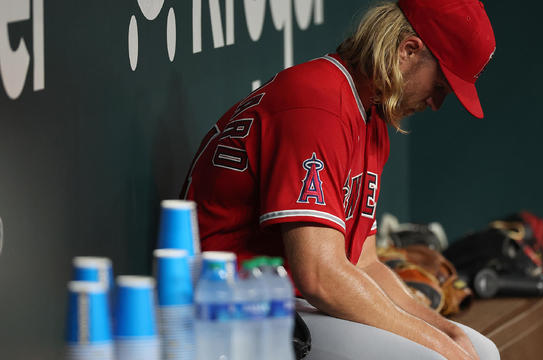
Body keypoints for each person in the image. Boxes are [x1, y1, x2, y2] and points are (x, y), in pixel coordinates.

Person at [181, 0, 498, 358]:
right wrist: (440, 346)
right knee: (436, 357)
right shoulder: (318, 104)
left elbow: (363, 264)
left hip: (288, 296)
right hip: (232, 302)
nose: (436, 102)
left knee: (480, 349)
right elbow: (319, 276)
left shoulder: (372, 117)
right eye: (440, 85)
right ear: (409, 50)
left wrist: (442, 328)